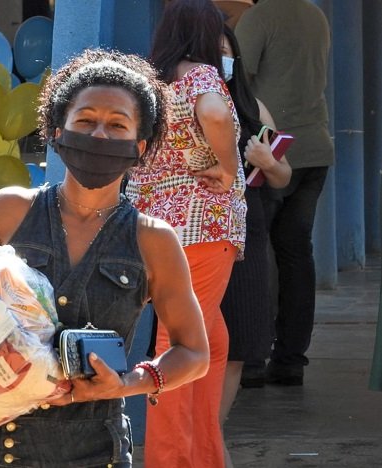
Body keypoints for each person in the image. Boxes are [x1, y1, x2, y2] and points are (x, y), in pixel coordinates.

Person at [0, 48, 211, 467]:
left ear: (139, 147)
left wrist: (128, 383)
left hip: (96, 454)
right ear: (57, 131)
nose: (99, 135)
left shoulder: (153, 240)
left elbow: (194, 353)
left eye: (117, 125)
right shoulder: (9, 210)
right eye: (85, 121)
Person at [125, 1, 247, 466]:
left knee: (212, 342)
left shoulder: (148, 85)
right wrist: (229, 168)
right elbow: (214, 114)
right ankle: (171, 459)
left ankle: (204, 456)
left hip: (155, 228)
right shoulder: (200, 76)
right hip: (202, 226)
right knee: (180, 346)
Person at [235, 0, 334, 386]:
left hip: (271, 152)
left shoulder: (259, 17)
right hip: (315, 148)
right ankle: (291, 359)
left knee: (256, 256)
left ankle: (252, 360)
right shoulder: (316, 15)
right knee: (296, 256)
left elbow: (236, 82)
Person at [218, 24, 292, 468]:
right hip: (202, 237)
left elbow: (282, 175)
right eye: (211, 52)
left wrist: (267, 161)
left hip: (250, 232)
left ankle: (214, 434)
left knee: (241, 345)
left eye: (226, 50)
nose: (221, 59)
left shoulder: (253, 107)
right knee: (196, 343)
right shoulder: (181, 104)